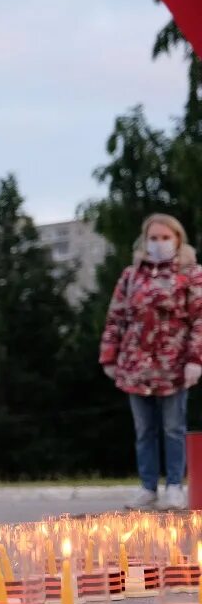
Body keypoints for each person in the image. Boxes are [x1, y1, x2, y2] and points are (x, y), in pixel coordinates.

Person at [100, 213, 202, 510]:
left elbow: (199, 320)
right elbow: (116, 317)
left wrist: (196, 359)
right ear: (144, 242)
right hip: (136, 366)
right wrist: (110, 354)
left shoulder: (191, 273)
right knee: (144, 429)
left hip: (174, 364)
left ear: (178, 240)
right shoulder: (131, 276)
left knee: (173, 427)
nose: (159, 244)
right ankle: (147, 487)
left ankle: (174, 486)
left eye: (165, 238)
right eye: (153, 238)